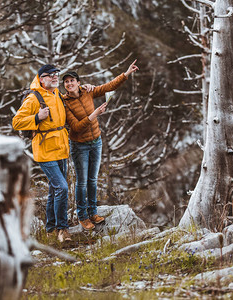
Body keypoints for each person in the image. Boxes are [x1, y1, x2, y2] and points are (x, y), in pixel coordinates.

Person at [62, 60, 139, 230]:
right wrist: (94, 115)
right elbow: (74, 126)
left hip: (96, 142)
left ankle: (93, 212)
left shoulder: (88, 92)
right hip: (79, 145)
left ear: (78, 82)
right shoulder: (65, 103)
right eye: (66, 82)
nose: (69, 84)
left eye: (72, 80)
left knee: (92, 180)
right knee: (82, 182)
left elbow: (108, 87)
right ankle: (82, 216)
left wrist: (126, 74)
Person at [12, 64, 72, 243]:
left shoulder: (56, 94)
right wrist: (37, 118)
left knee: (55, 189)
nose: (54, 77)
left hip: (61, 148)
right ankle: (63, 230)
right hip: (45, 150)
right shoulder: (33, 98)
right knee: (62, 187)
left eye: (56, 75)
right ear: (40, 78)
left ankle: (50, 229)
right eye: (50, 75)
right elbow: (17, 122)